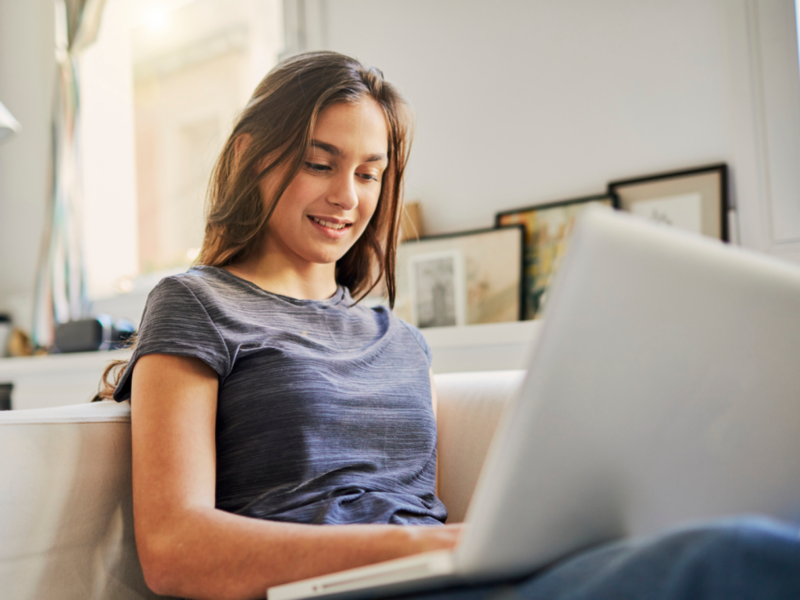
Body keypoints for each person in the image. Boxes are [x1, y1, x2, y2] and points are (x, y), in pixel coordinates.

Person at [99, 51, 800, 600]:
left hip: (442, 577)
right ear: (253, 153)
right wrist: (423, 549)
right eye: (321, 163)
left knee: (746, 536)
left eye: (370, 174)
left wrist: (467, 546)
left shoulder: (399, 340)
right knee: (739, 556)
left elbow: (419, 507)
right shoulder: (195, 303)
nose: (347, 196)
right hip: (340, 588)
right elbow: (174, 549)